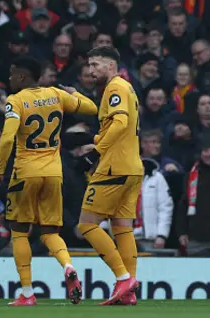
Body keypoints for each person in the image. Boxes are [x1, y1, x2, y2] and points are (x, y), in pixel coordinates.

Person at [0, 56, 98, 306]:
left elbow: (7, 139)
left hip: (25, 173)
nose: (9, 79)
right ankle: (68, 266)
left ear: (22, 76)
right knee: (50, 231)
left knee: (19, 231)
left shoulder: (15, 101)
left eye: (12, 74)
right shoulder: (56, 95)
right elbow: (91, 108)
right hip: (53, 172)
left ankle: (27, 292)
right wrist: (75, 93)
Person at [76, 46, 143, 306]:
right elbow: (120, 129)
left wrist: (96, 151)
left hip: (114, 167)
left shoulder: (115, 87)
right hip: (133, 167)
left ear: (111, 65)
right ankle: (129, 289)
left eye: (95, 65)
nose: (91, 71)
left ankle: (123, 277)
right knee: (122, 229)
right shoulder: (127, 88)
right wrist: (90, 138)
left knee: (87, 224)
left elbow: (120, 123)